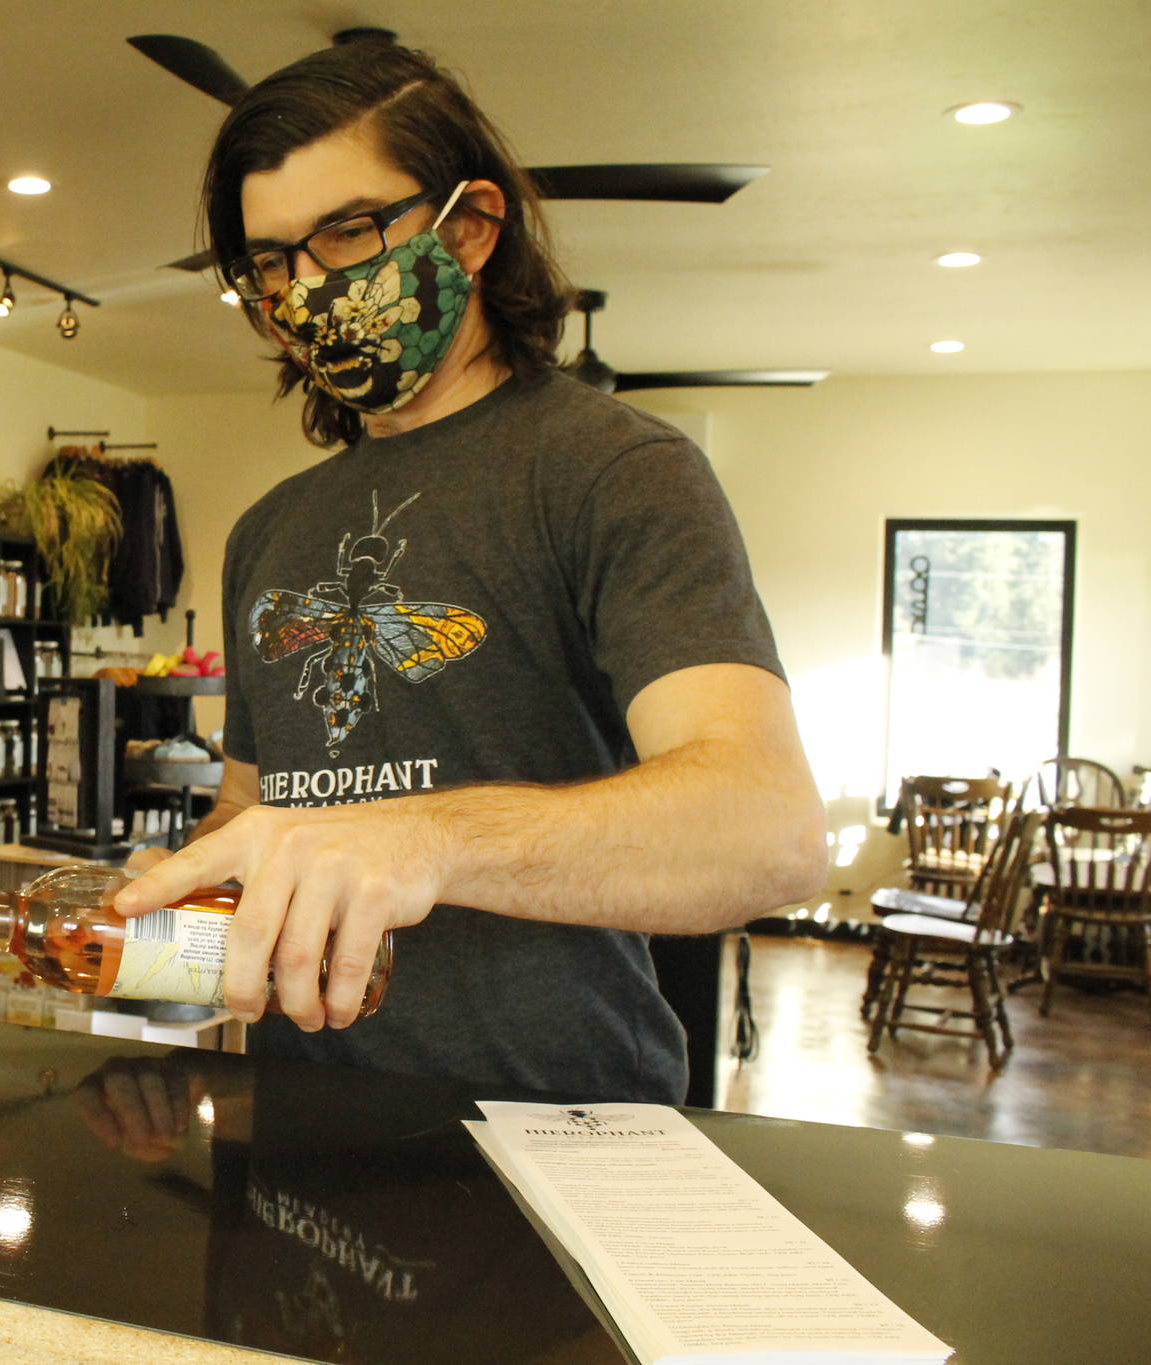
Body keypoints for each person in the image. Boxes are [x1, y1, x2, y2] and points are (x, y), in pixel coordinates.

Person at [114, 43, 825, 1103]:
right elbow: (254, 809)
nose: (308, 286)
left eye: (348, 232)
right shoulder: (266, 531)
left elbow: (766, 832)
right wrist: (169, 918)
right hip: (302, 1123)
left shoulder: (615, 472)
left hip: (554, 1129)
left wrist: (427, 839)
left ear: (469, 227)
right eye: (270, 262)